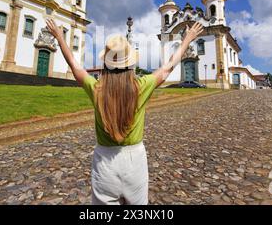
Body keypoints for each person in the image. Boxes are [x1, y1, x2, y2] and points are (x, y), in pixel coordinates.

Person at [46, 19, 205, 205]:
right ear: (130, 65)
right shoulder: (141, 86)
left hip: (104, 163)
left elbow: (74, 65)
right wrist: (187, 39)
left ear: (105, 64)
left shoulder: (96, 88)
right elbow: (169, 66)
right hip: (135, 161)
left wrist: (59, 37)